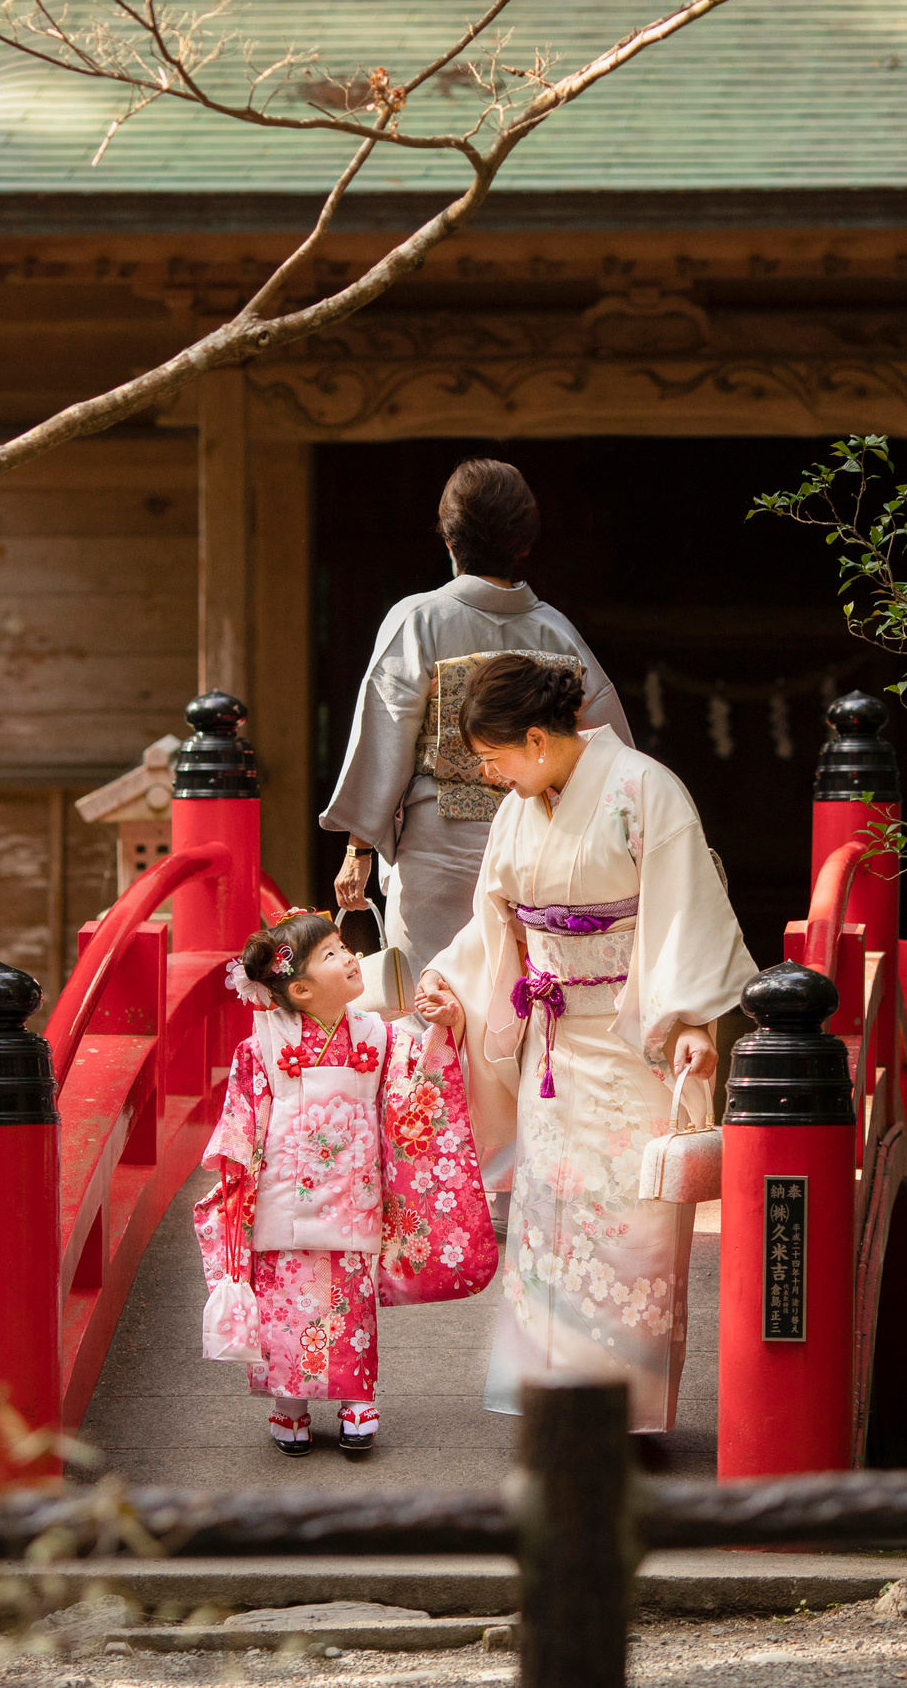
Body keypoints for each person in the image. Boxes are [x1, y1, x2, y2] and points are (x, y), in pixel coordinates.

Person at [417, 655, 756, 1434]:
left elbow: (685, 922)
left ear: (536, 739)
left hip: (631, 1039)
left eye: (496, 758)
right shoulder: (519, 809)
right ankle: (557, 1399)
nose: (492, 775)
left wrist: (694, 1027)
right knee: (548, 1218)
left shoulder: (646, 790)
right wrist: (451, 983)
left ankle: (623, 1406)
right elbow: (496, 924)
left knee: (628, 1225)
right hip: (550, 1043)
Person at [323, 459, 633, 989]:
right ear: (525, 544)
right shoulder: (557, 633)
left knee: (432, 1009)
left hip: (437, 853)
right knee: (530, 1006)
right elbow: (608, 753)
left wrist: (359, 849)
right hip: (539, 848)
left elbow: (385, 734)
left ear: (449, 539)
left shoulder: (417, 620)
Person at [194, 909, 492, 1456]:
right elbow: (242, 1121)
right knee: (285, 1303)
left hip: (353, 1197)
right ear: (301, 989)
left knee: (350, 1304)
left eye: (344, 946)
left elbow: (414, 1087)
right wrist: (237, 1185)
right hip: (282, 1199)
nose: (351, 956)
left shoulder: (376, 1037)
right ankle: (290, 1405)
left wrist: (443, 1028)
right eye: (332, 954)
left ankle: (357, 1396)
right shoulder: (259, 1047)